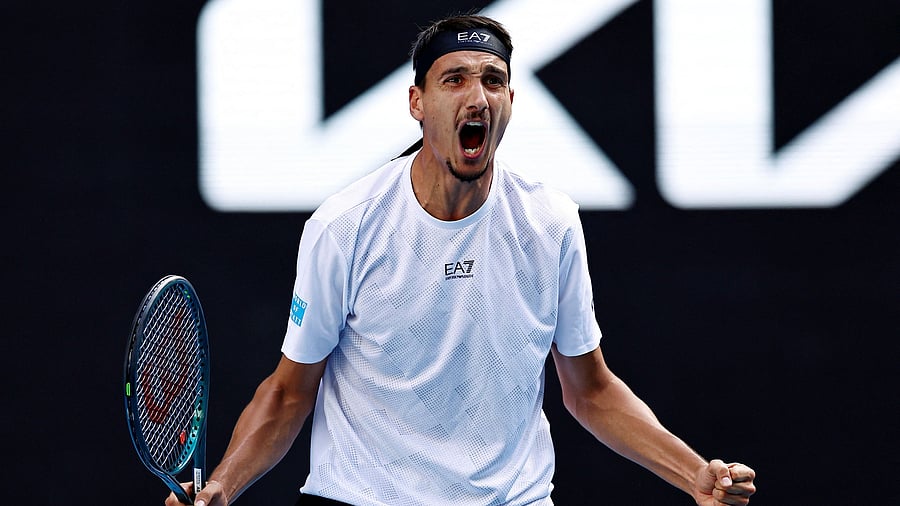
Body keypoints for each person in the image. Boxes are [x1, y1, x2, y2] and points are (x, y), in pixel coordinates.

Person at [168, 14, 756, 506]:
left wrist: (693, 474)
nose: (477, 97)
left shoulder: (550, 223)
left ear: (510, 102)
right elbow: (289, 392)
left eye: (493, 81)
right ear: (417, 103)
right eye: (454, 80)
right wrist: (223, 485)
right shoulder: (344, 227)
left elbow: (592, 391)